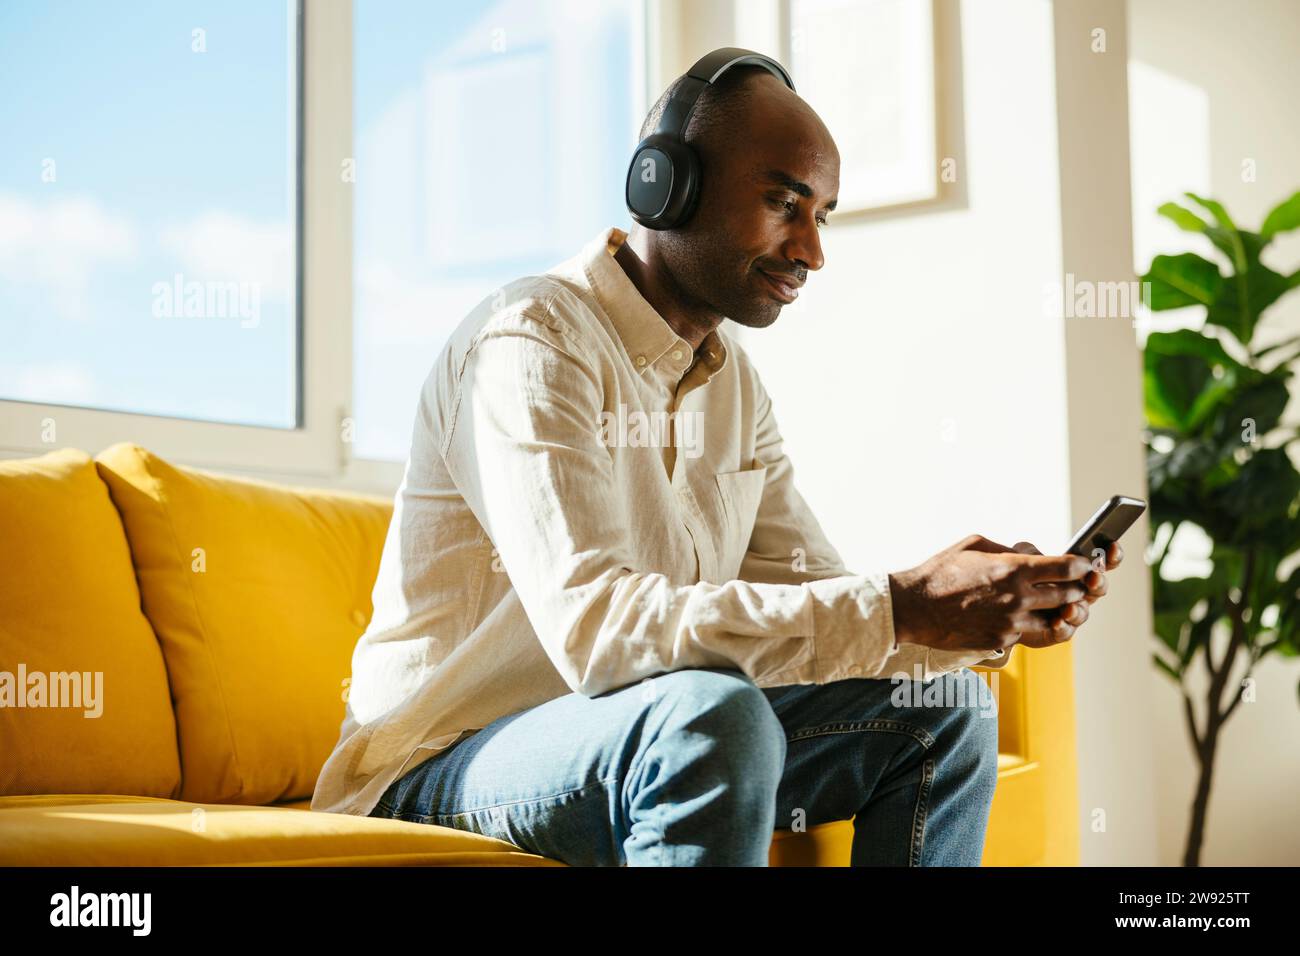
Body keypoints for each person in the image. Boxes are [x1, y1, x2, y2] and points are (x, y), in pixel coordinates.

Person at [311, 49, 1122, 866]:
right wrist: (902, 604)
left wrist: (976, 618)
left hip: (639, 736)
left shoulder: (733, 385)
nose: (811, 251)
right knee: (709, 715)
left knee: (943, 708)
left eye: (823, 216)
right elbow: (599, 630)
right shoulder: (532, 340)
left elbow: (818, 606)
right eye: (784, 203)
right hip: (444, 763)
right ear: (666, 185)